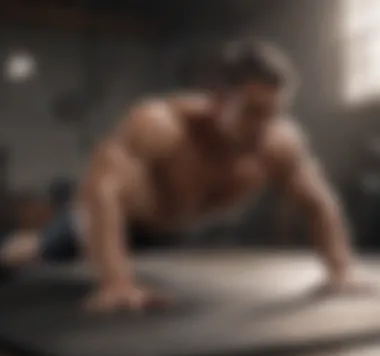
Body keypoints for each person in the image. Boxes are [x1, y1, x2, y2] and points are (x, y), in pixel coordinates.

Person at [1, 38, 361, 312]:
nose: (265, 127)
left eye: (274, 113)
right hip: (111, 221)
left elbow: (319, 205)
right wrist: (117, 281)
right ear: (218, 100)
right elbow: (102, 190)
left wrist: (339, 271)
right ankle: (23, 243)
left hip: (173, 232)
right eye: (253, 112)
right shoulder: (160, 123)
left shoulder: (281, 142)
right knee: (28, 254)